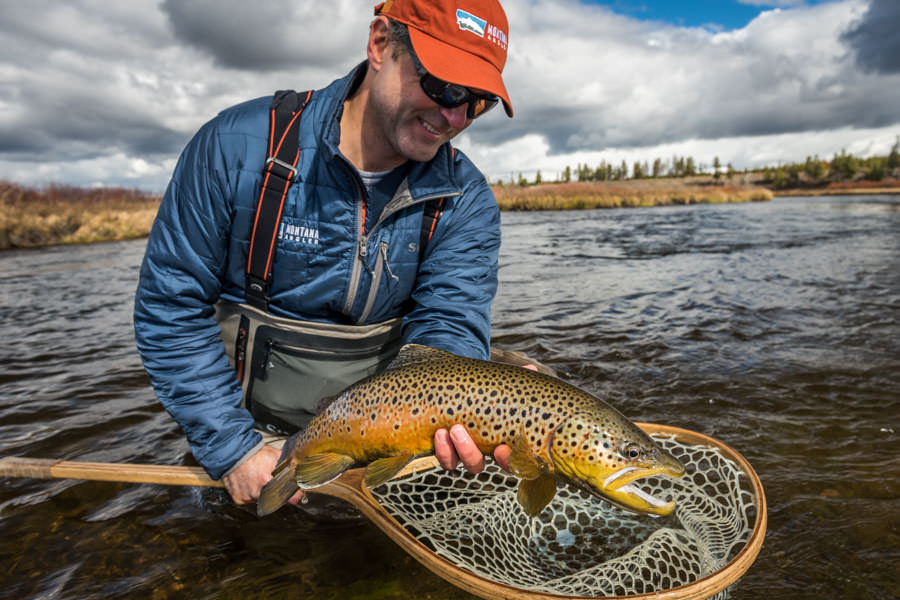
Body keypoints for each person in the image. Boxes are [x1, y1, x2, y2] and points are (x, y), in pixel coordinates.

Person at [133, 0, 517, 509]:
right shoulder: (235, 149)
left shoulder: (465, 200)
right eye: (445, 86)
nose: (454, 116)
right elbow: (171, 307)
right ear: (380, 43)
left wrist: (466, 409)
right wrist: (231, 447)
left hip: (385, 437)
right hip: (247, 427)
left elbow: (449, 324)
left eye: (477, 102)